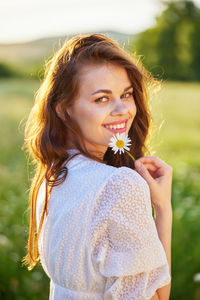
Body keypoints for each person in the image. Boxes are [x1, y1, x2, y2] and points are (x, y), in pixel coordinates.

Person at [22, 33, 173, 299]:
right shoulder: (119, 185)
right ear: (64, 109)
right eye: (101, 99)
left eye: (126, 94)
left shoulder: (53, 173)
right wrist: (162, 209)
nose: (122, 110)